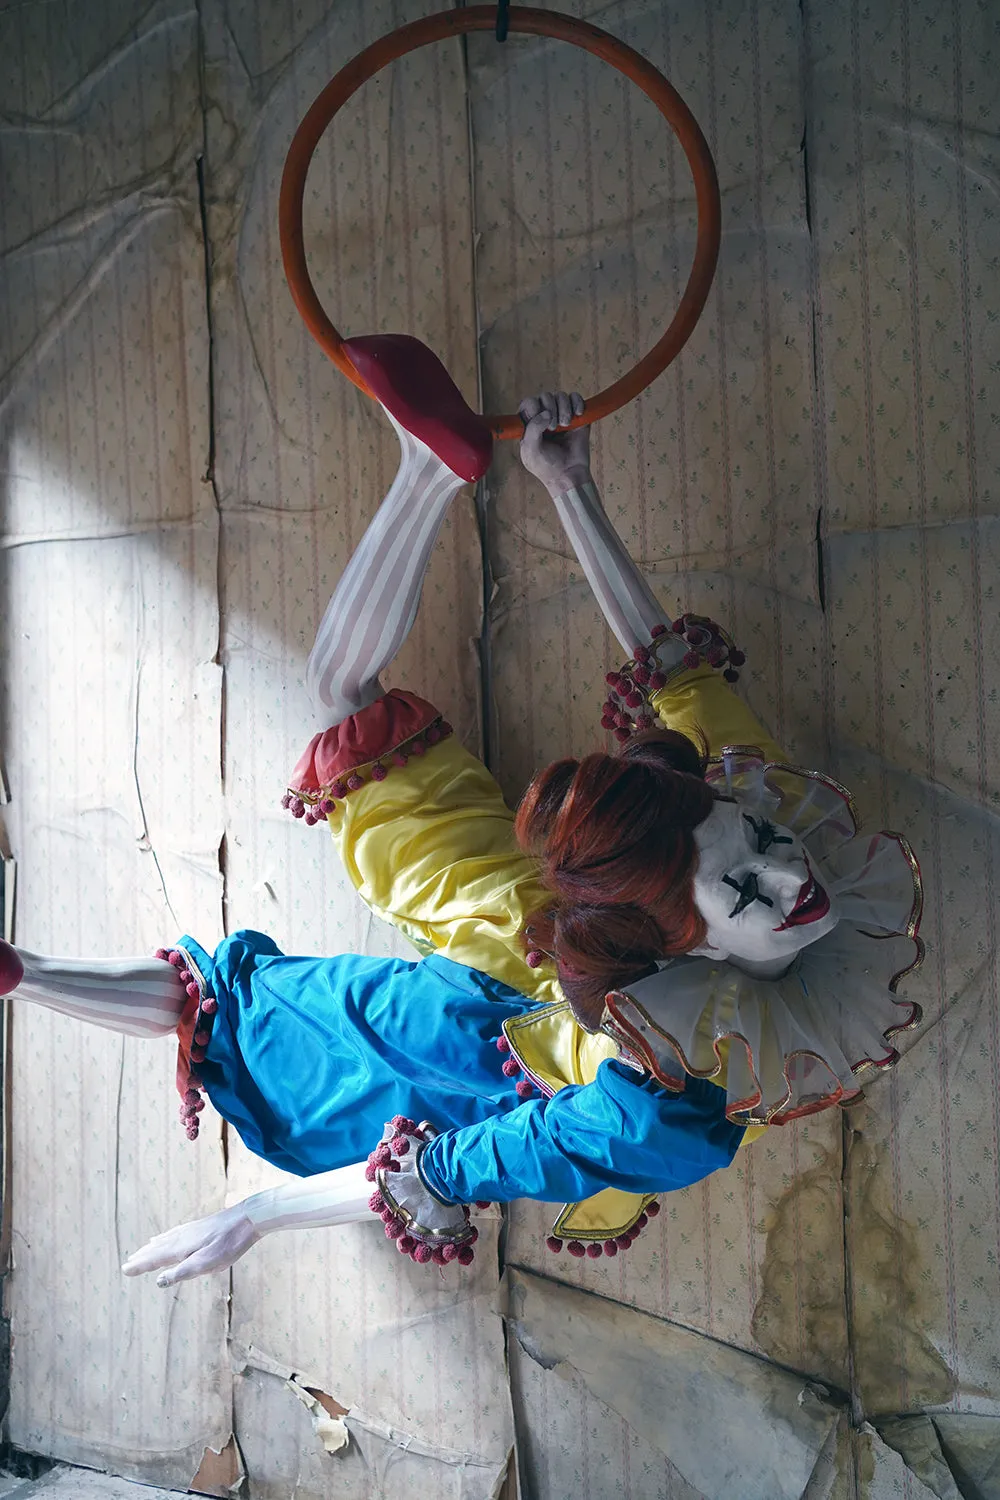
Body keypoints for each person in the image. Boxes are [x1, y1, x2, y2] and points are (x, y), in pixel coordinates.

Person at [0, 338, 922, 1282]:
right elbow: (668, 666)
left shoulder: (672, 1097)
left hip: (505, 1058)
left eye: (762, 848)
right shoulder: (698, 939)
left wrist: (264, 1210)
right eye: (749, 872)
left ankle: (423, 473)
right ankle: (425, 471)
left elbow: (481, 1155)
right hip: (527, 938)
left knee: (292, 1006)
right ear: (689, 942)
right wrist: (568, 484)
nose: (792, 869)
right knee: (337, 724)